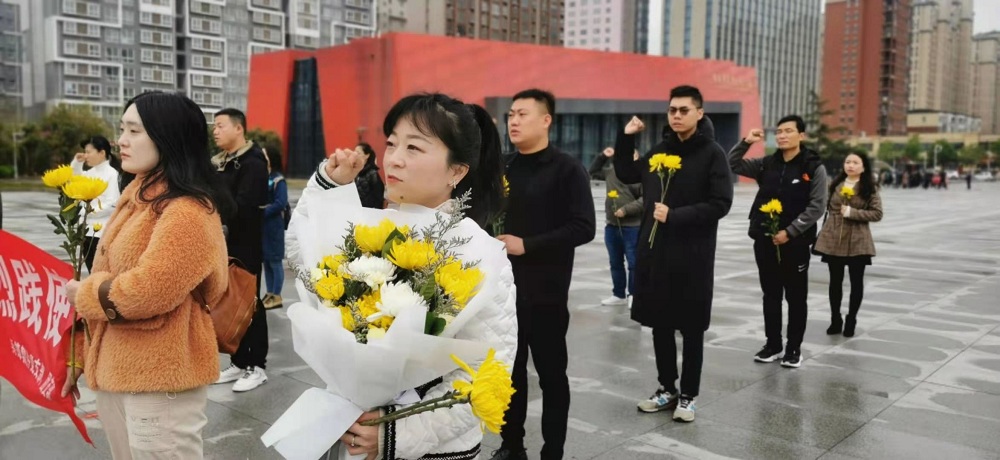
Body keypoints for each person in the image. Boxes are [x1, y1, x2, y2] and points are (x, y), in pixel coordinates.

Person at [290, 93, 516, 460]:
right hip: (353, 430)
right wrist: (327, 185)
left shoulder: (479, 255)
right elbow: (302, 255)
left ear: (457, 171)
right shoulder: (375, 228)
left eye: (414, 147)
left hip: (430, 450)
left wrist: (394, 432)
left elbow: (486, 372)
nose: (393, 158)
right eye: (392, 143)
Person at [62, 91, 233, 460]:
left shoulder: (187, 209)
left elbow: (150, 289)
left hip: (160, 379)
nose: (121, 140)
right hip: (117, 370)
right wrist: (78, 354)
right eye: (122, 129)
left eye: (134, 131)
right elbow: (111, 272)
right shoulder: (139, 195)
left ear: (168, 137)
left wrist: (85, 294)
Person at [615, 85, 734, 423]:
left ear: (699, 113)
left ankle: (689, 395)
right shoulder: (659, 150)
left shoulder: (712, 154)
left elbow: (721, 203)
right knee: (660, 324)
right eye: (672, 110)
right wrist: (626, 137)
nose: (677, 116)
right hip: (657, 253)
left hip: (693, 255)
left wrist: (676, 215)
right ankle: (666, 388)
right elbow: (627, 173)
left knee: (692, 328)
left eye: (684, 110)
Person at [493, 89, 596, 460]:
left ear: (546, 120)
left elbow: (584, 227)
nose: (514, 121)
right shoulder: (503, 167)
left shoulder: (567, 169)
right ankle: (511, 445)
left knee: (552, 376)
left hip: (547, 293)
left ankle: (553, 449)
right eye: (511, 115)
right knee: (510, 373)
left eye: (522, 114)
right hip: (504, 293)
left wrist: (528, 245)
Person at [729, 115, 829, 368]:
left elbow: (817, 206)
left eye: (788, 131)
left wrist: (791, 231)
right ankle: (773, 344)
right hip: (765, 239)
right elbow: (732, 164)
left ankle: (793, 348)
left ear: (801, 136)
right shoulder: (766, 164)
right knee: (770, 294)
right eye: (779, 131)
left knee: (796, 297)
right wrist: (746, 142)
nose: (782, 135)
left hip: (795, 242)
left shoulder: (812, 167)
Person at [212, 108, 271, 393]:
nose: (215, 131)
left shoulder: (253, 162)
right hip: (223, 244)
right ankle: (238, 360)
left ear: (239, 128)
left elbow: (243, 207)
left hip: (245, 246)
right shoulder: (221, 163)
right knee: (232, 302)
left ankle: (256, 366)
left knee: (250, 303)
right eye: (214, 126)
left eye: (220, 125)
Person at [813, 152, 882, 337]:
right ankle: (835, 319)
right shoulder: (835, 184)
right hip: (834, 237)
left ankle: (851, 319)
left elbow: (877, 213)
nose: (850, 165)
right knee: (835, 282)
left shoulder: (869, 188)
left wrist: (853, 212)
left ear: (864, 167)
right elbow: (823, 206)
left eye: (855, 162)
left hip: (858, 239)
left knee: (856, 282)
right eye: (848, 162)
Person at [589, 146, 643, 308]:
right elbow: (593, 171)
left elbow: (645, 199)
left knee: (633, 263)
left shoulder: (640, 175)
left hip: (632, 227)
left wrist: (626, 210)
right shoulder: (611, 172)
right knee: (615, 262)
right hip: (612, 226)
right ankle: (618, 294)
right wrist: (603, 156)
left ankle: (634, 294)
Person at [71, 136, 123, 273]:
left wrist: (86, 212)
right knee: (90, 269)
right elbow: (75, 181)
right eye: (85, 152)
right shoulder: (90, 173)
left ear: (102, 153)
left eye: (89, 152)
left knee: (100, 271)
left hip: (101, 232)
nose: (86, 155)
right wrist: (77, 163)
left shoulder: (112, 174)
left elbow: (112, 204)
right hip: (85, 230)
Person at [262, 147, 289, 310]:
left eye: (265, 155)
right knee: (266, 260)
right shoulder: (266, 177)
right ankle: (270, 292)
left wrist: (263, 211)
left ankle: (277, 295)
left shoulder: (279, 180)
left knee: (275, 261)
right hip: (264, 226)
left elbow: (281, 202)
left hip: (274, 225)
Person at [354, 142, 386, 209]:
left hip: (369, 210)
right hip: (357, 208)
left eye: (358, 153)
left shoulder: (372, 173)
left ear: (367, 156)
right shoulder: (355, 172)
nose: (355, 155)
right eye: (354, 153)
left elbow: (379, 194)